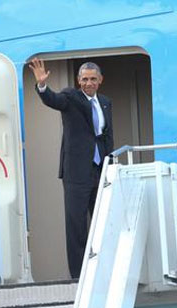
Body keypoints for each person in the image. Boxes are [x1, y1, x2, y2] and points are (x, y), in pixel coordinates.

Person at [29, 58, 113, 279]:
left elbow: (106, 136)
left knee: (102, 220)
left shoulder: (105, 102)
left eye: (93, 79)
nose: (88, 83)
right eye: (84, 79)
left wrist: (111, 164)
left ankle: (101, 269)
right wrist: (42, 86)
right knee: (76, 224)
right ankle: (78, 275)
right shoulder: (71, 96)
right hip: (76, 172)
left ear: (100, 80)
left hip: (99, 169)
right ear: (78, 80)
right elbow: (53, 100)